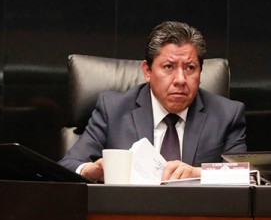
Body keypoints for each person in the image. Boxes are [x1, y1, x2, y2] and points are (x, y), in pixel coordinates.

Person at [59, 21, 247, 182]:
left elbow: (245, 177)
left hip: (198, 212)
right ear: (147, 71)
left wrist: (200, 174)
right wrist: (91, 170)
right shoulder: (113, 110)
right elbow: (68, 165)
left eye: (190, 68)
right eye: (169, 67)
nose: (181, 79)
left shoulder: (227, 115)